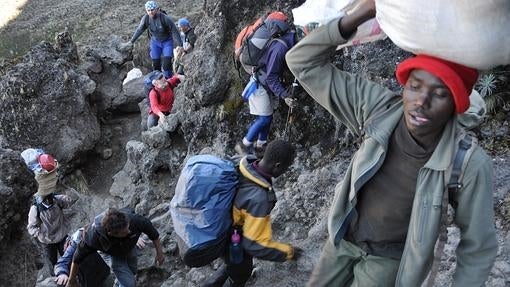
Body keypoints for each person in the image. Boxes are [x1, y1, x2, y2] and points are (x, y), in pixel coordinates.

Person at [285, 1, 498, 286]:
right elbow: (301, 62)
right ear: (404, 87)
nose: (421, 102)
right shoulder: (378, 109)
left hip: (389, 262)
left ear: (456, 104)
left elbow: (477, 248)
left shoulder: (467, 162)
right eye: (415, 86)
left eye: (440, 94)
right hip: (342, 240)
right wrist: (364, 12)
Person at [203, 139, 303, 287]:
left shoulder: (244, 163)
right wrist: (289, 252)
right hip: (232, 238)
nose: (285, 171)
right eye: (286, 168)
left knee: (231, 263)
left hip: (219, 227)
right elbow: (255, 245)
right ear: (277, 166)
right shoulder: (260, 198)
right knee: (241, 273)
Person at [235, 12, 298, 156]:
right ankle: (244, 146)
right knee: (264, 118)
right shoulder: (280, 48)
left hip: (261, 84)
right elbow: (271, 78)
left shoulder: (286, 41)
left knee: (266, 116)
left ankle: (260, 146)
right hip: (259, 86)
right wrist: (284, 96)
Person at [65, 208, 165, 287]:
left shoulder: (135, 221)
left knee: (133, 271)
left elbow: (153, 234)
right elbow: (77, 258)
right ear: (111, 233)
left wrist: (159, 253)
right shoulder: (93, 238)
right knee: (129, 283)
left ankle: (118, 283)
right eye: (124, 232)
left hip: (129, 245)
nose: (129, 231)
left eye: (128, 228)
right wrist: (71, 281)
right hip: (111, 252)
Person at [26, 154, 79, 274]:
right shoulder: (36, 208)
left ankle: (73, 280)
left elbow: (74, 198)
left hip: (62, 237)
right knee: (53, 266)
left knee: (70, 261)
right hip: (48, 242)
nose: (48, 199)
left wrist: (63, 185)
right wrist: (41, 234)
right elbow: (31, 227)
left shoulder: (56, 199)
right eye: (46, 198)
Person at [54, 227, 148, 287]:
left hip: (104, 275)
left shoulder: (99, 238)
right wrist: (62, 273)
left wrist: (132, 238)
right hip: (87, 281)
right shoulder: (74, 246)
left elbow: (118, 235)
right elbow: (62, 262)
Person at [121, 1, 183, 79]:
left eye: (152, 9)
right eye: (148, 10)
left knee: (167, 63)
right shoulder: (146, 19)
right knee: (156, 63)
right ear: (146, 11)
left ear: (157, 9)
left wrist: (180, 45)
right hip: (155, 42)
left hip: (167, 42)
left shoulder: (165, 18)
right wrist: (131, 42)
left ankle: (169, 80)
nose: (151, 12)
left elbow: (174, 31)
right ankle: (158, 80)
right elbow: (139, 30)